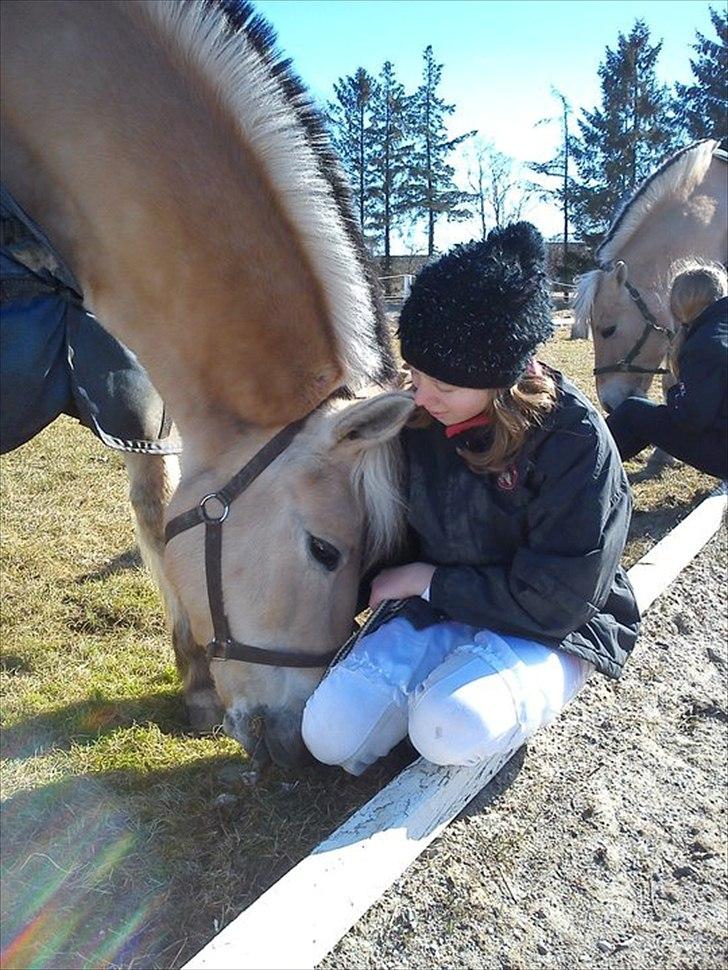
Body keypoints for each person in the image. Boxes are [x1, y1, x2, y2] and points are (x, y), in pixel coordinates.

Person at [302, 222, 640, 776]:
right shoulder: (421, 419)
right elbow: (384, 535)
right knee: (330, 735)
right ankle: (443, 674)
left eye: (446, 385)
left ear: (502, 377)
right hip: (445, 607)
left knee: (448, 727)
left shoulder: (573, 439)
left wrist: (425, 580)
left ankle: (524, 683)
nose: (422, 394)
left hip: (554, 623)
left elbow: (559, 597)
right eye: (415, 372)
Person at [606, 263, 727, 480]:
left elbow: (692, 418)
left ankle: (581, 467)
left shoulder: (703, 344)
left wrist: (674, 392)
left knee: (632, 413)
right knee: (644, 415)